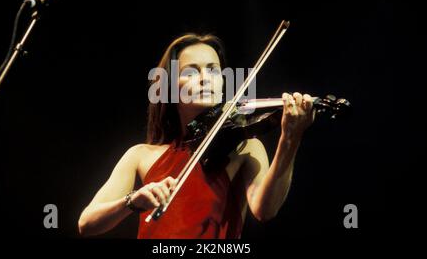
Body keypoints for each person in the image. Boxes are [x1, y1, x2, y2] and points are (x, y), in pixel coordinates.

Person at [78, 33, 315, 238]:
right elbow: (86, 223)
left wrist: (290, 139)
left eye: (213, 70)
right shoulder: (140, 155)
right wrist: (132, 201)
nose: (205, 78)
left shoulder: (244, 147)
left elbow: (265, 209)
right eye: (191, 72)